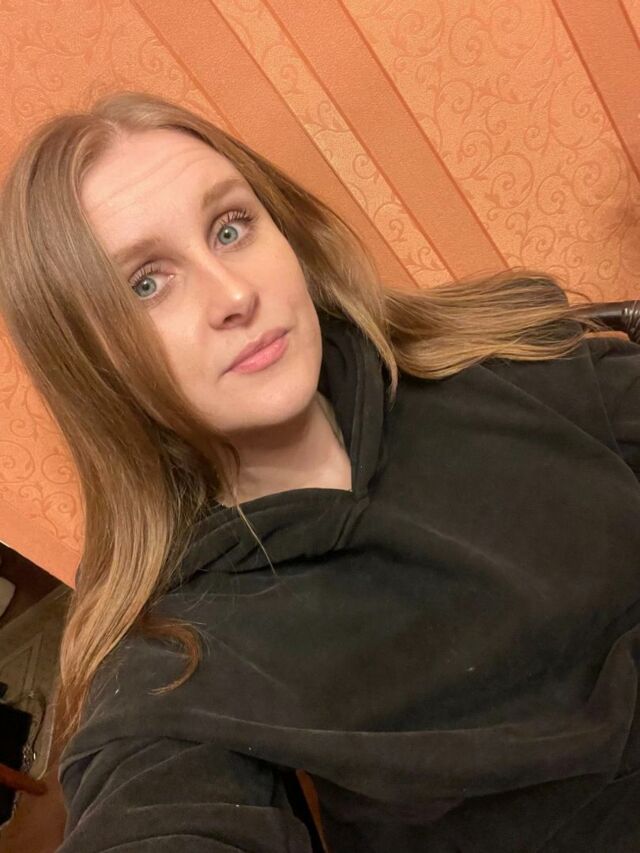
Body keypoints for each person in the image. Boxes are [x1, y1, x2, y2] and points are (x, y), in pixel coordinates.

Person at [0, 90, 638, 853]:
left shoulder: (490, 354)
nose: (235, 294)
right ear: (91, 364)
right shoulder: (175, 662)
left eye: (230, 227)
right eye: (146, 282)